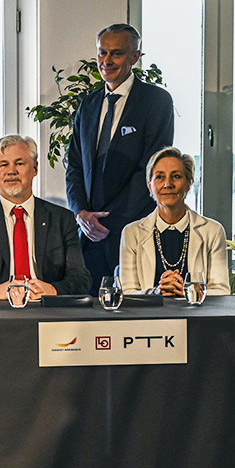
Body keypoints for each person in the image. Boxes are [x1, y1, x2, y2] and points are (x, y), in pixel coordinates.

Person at [65, 24, 174, 295]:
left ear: (135, 57)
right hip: (88, 236)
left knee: (134, 319)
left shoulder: (156, 101)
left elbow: (150, 171)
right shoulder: (88, 104)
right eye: (102, 52)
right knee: (89, 323)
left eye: (116, 53)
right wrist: (81, 213)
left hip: (133, 233)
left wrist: (108, 223)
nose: (106, 61)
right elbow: (74, 166)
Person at [0, 135, 91, 299]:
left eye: (20, 163)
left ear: (35, 169)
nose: (11, 171)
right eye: (3, 165)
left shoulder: (61, 218)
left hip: (47, 312)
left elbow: (81, 279)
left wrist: (52, 290)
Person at [119, 147, 230, 296]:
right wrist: (156, 292)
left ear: (189, 183)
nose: (168, 184)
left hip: (196, 317)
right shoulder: (131, 233)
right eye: (159, 177)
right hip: (148, 318)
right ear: (149, 186)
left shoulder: (213, 231)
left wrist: (191, 293)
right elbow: (127, 293)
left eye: (176, 176)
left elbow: (222, 291)